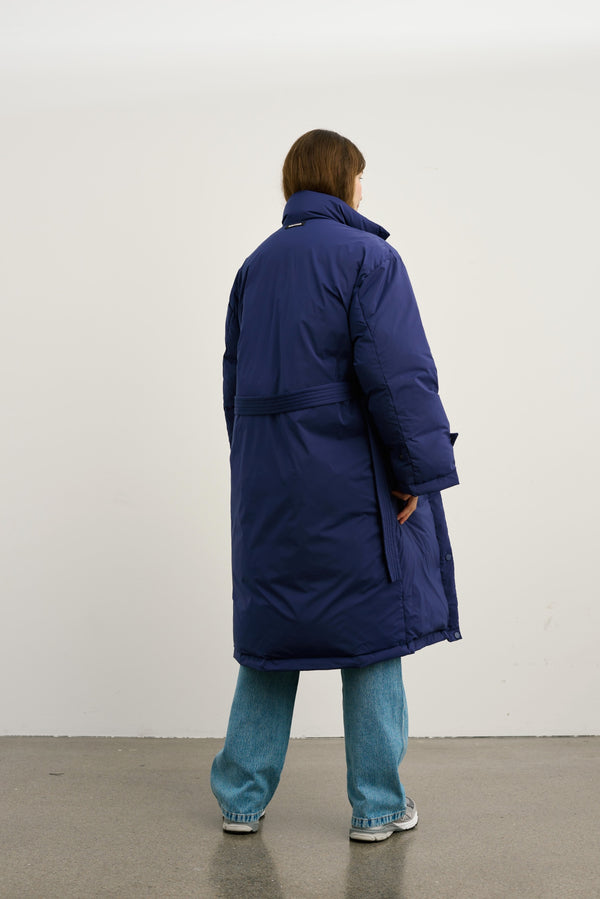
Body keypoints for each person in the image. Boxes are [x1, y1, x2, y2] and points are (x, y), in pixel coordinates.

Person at [211, 129, 460, 842]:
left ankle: (241, 799)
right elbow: (397, 374)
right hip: (351, 486)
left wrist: (260, 469)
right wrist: (415, 472)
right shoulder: (369, 258)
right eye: (361, 178)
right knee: (373, 636)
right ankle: (378, 807)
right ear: (344, 180)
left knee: (271, 638)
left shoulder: (253, 268)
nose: (362, 190)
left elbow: (234, 389)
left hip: (269, 490)